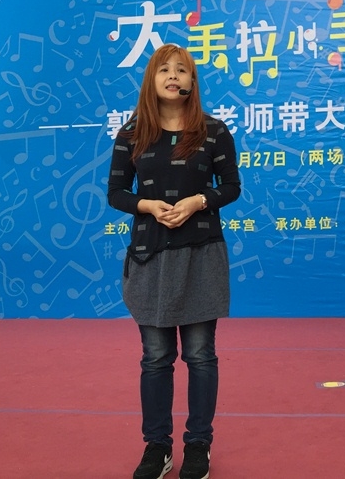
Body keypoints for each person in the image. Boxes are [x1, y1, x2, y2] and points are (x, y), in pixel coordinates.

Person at [108, 44, 241, 479]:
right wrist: (147, 205)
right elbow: (116, 193)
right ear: (151, 79)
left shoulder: (213, 131)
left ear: (191, 82)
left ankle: (198, 445)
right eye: (163, 69)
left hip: (201, 253)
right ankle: (157, 447)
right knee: (155, 356)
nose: (172, 76)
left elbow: (232, 186)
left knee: (200, 355)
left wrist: (199, 201)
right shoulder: (131, 133)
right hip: (151, 255)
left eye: (181, 70)